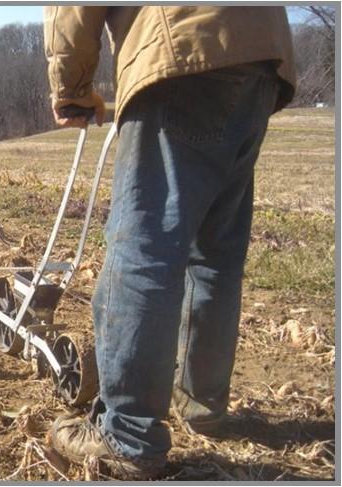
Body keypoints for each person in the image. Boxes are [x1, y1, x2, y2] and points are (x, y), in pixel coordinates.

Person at [43, 6, 296, 479]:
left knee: (143, 248)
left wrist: (71, 89)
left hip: (179, 51)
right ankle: (202, 403)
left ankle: (128, 436)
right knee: (215, 253)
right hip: (263, 56)